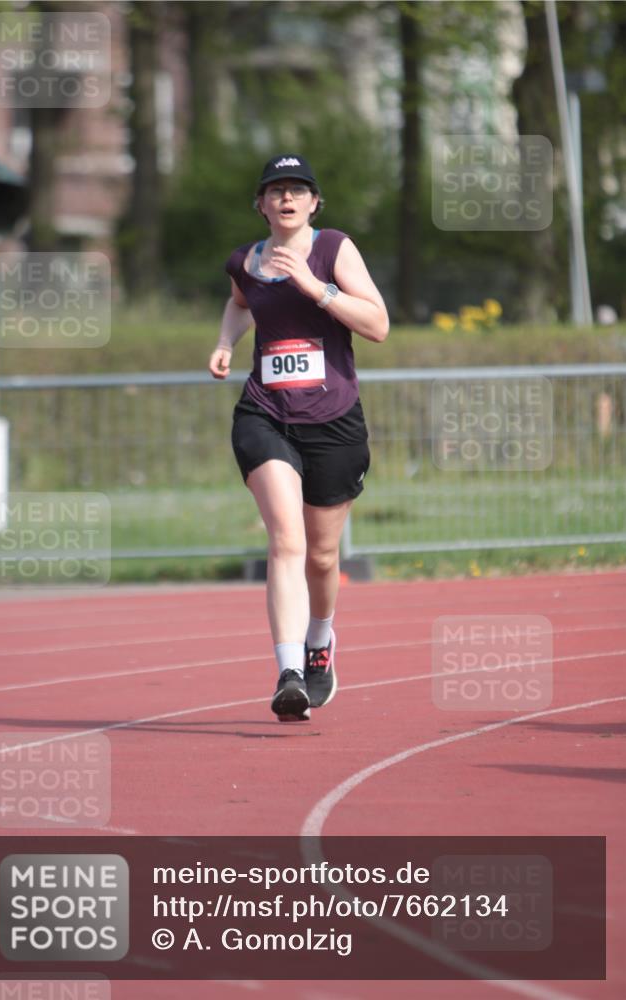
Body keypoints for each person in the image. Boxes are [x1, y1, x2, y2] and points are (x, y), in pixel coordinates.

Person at [209, 154, 389, 721]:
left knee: (321, 554)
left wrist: (315, 287)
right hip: (265, 414)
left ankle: (319, 640)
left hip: (334, 422)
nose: (287, 198)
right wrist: (225, 342)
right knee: (285, 539)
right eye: (275, 190)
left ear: (314, 203)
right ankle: (288, 671)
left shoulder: (335, 249)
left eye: (298, 189)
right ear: (260, 205)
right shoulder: (245, 261)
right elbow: (241, 303)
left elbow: (378, 325)